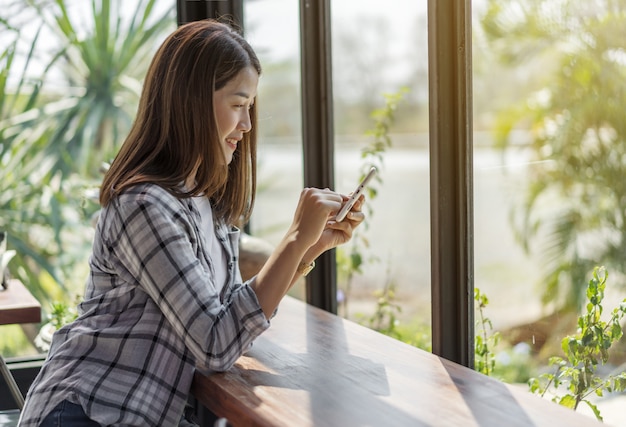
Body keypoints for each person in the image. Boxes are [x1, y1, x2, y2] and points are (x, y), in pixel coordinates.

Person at [18, 19, 364, 427]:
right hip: (87, 412)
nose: (247, 125)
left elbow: (228, 311)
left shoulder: (203, 202)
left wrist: (310, 246)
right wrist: (292, 238)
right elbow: (216, 343)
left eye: (250, 107)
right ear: (192, 102)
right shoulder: (144, 205)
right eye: (237, 105)